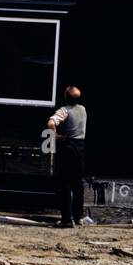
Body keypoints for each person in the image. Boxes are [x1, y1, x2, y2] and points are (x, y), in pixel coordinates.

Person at [48, 85, 87, 228]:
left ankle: (66, 219)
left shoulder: (64, 110)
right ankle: (78, 217)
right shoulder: (83, 110)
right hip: (80, 148)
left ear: (65, 96)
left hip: (68, 148)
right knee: (78, 184)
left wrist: (56, 136)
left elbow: (51, 123)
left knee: (64, 184)